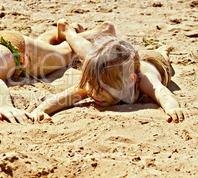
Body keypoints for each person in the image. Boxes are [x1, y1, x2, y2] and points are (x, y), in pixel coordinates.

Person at [30, 19, 189, 124]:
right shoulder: (97, 83)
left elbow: (163, 93)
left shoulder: (145, 80)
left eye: (102, 89)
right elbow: (67, 95)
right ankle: (68, 32)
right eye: (92, 87)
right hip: (121, 63)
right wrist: (42, 109)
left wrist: (172, 108)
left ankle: (163, 51)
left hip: (154, 61)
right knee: (90, 54)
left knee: (165, 60)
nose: (95, 94)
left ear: (130, 81)